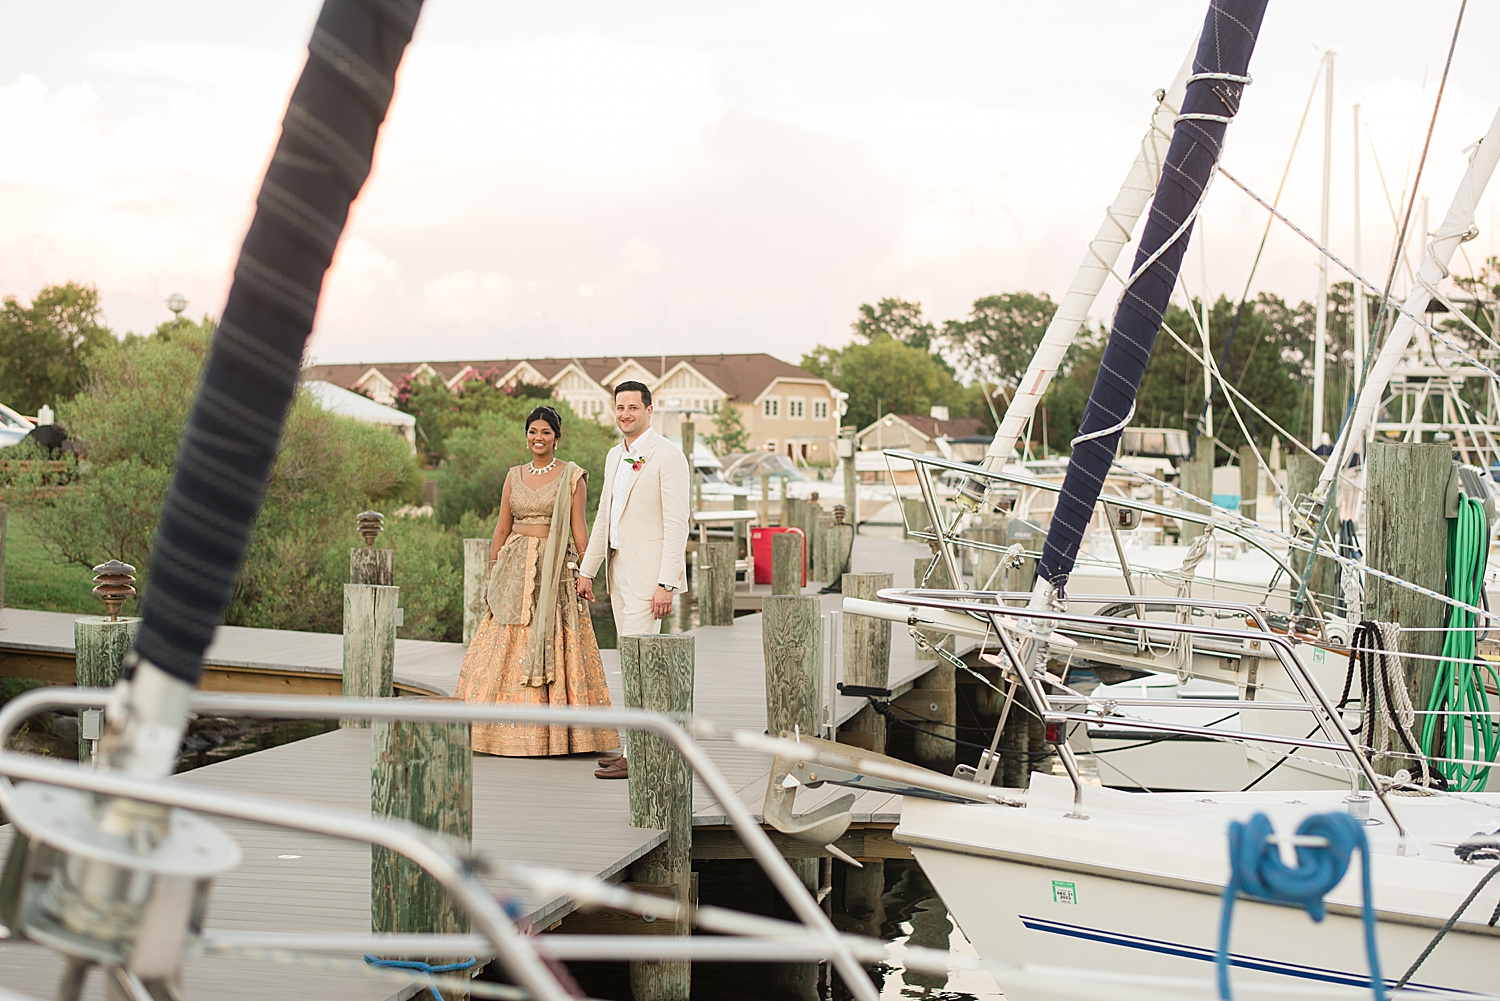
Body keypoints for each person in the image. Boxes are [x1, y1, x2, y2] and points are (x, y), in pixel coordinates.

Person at [455, 406, 620, 757]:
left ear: (556, 438)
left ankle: (560, 735)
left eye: (545, 432)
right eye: (533, 431)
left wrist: (586, 571)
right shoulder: (513, 476)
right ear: (526, 435)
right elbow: (502, 526)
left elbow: (579, 528)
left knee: (556, 639)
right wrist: (494, 569)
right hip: (514, 567)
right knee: (505, 640)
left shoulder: (571, 477)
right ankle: (493, 731)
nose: (538, 438)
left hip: (555, 568)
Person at [577, 380, 691, 779]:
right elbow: (604, 517)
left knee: (643, 665)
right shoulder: (615, 457)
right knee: (631, 662)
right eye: (619, 407)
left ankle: (640, 753)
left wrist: (668, 583)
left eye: (632, 407)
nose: (625, 414)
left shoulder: (668, 456)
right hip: (618, 570)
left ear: (649, 409)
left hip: (650, 578)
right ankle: (637, 746)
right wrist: (587, 570)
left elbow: (678, 524)